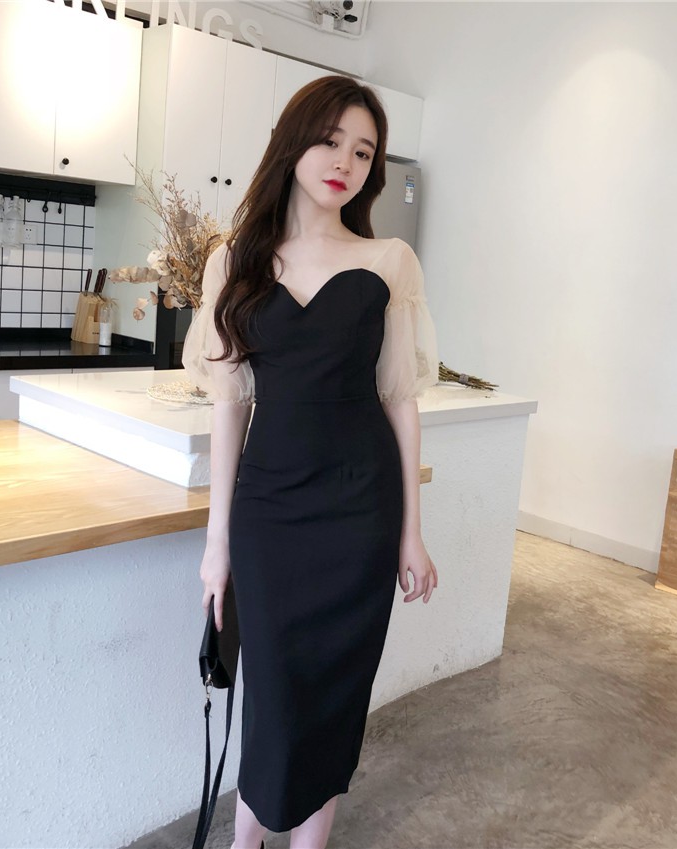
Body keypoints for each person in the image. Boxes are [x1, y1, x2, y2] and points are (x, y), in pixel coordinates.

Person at [181, 75, 440, 849]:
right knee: (272, 692)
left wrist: (411, 532)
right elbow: (230, 404)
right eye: (330, 141)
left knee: (334, 691)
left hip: (361, 510)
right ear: (293, 143)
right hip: (269, 509)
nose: (344, 163)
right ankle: (245, 839)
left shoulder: (389, 260)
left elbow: (399, 400)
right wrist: (217, 543)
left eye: (362, 152)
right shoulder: (233, 262)